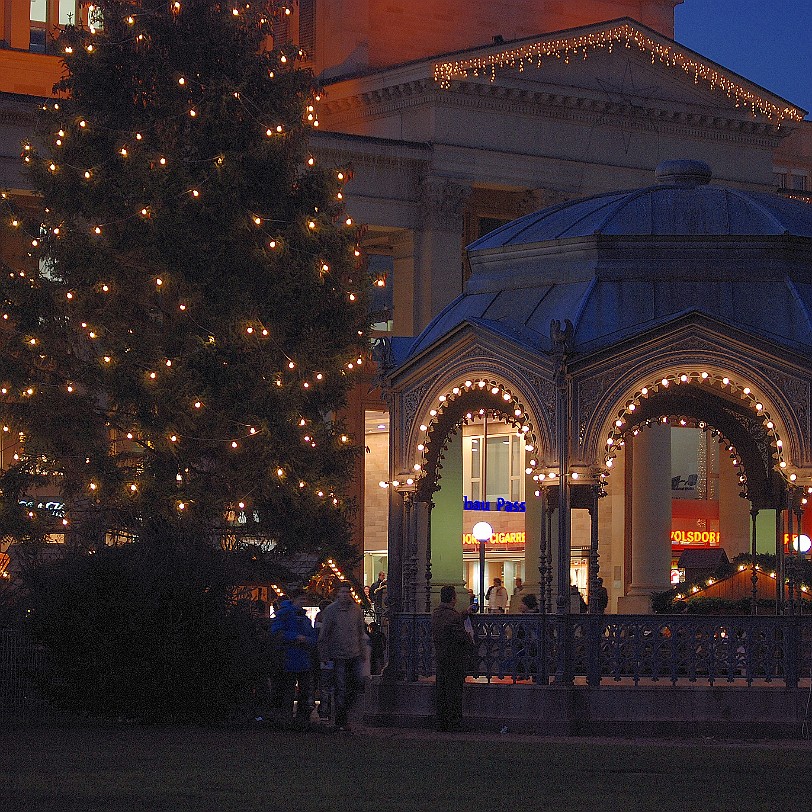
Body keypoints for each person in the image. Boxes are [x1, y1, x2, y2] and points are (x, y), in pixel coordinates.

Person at [317, 582, 369, 731]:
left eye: (347, 592)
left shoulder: (356, 610)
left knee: (355, 685)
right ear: (338, 594)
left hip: (354, 653)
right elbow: (324, 633)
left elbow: (360, 631)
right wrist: (324, 653)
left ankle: (344, 713)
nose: (345, 595)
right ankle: (341, 720)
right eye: (342, 592)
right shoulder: (331, 611)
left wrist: (362, 650)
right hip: (338, 654)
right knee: (341, 688)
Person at [270, 591, 318, 725]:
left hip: (302, 659)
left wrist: (308, 641)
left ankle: (300, 720)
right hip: (289, 658)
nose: (304, 602)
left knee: (302, 691)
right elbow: (277, 633)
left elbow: (312, 637)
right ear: (295, 599)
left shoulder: (304, 618)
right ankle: (288, 719)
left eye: (305, 599)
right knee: (288, 691)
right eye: (301, 599)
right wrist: (296, 637)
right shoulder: (286, 614)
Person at [431, 584, 473, 732]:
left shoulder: (436, 614)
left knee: (441, 691)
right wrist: (469, 639)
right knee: (454, 693)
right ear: (452, 598)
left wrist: (463, 614)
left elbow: (447, 624)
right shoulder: (453, 616)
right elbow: (459, 636)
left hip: (441, 657)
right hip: (454, 659)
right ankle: (454, 723)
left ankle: (441, 722)